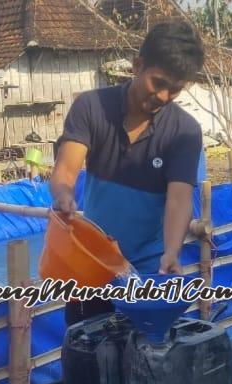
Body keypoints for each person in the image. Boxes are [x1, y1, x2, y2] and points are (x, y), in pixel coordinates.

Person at [49, 20, 205, 327]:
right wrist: (64, 194)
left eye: (174, 89)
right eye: (158, 83)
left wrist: (172, 252)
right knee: (89, 354)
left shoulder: (185, 131)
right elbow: (66, 169)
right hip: (92, 264)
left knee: (148, 359)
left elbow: (179, 200)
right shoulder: (91, 107)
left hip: (149, 270)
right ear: (137, 65)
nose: (163, 96)